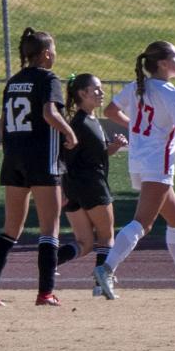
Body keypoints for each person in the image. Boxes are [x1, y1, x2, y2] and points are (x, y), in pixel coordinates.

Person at [101, 40, 175, 297]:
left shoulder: (137, 87)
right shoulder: (171, 92)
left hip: (139, 161)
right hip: (158, 162)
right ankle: (106, 268)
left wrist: (134, 125)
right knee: (143, 223)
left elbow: (110, 111)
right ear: (163, 63)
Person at [0, 28, 78, 307]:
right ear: (46, 54)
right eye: (54, 50)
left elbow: (2, 125)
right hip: (41, 158)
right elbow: (49, 113)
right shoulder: (48, 78)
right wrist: (70, 133)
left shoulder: (14, 81)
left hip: (13, 158)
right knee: (49, 229)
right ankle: (46, 293)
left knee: (10, 230)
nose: (55, 55)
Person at [59, 74, 125, 299]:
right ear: (82, 94)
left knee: (84, 243)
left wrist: (114, 146)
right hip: (91, 185)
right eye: (95, 89)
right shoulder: (79, 124)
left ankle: (49, 263)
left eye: (101, 88)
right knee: (106, 237)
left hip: (75, 189)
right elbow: (65, 158)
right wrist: (62, 188)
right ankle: (101, 284)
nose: (101, 92)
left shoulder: (90, 121)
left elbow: (97, 155)